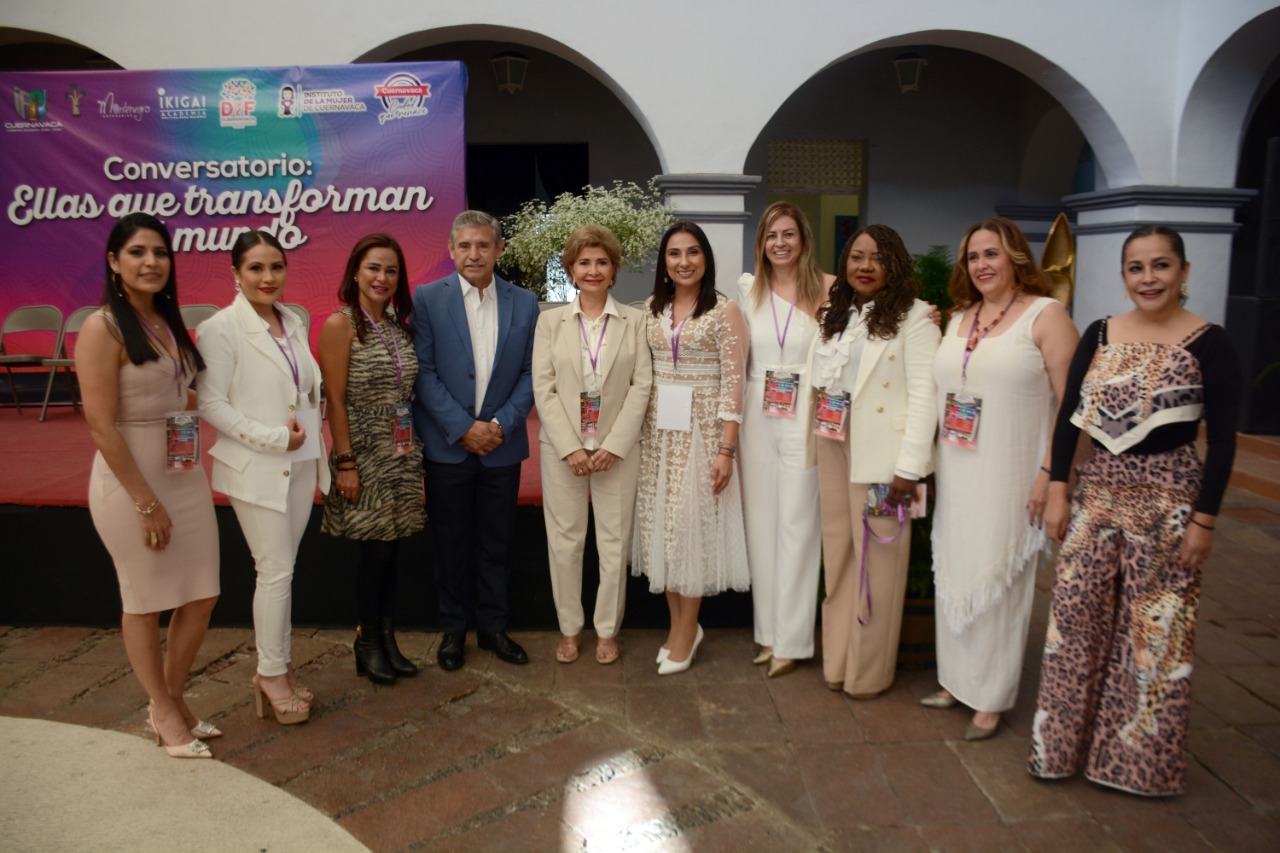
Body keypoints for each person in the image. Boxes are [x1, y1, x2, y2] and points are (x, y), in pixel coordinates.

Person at [1028, 225, 1241, 795]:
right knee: (1072, 619)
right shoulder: (1099, 333)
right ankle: (1060, 749)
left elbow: (1223, 442)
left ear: (1184, 272)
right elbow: (1070, 417)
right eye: (1136, 268)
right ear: (1123, 276)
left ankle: (1133, 764)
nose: (1149, 278)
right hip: (1097, 495)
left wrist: (1203, 521)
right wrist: (1058, 488)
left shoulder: (1210, 342)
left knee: (1150, 635)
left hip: (1170, 500)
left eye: (1161, 265)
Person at [922, 217, 1078, 740]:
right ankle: (955, 680)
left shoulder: (1046, 315)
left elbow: (1073, 405)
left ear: (1016, 258)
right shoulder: (958, 317)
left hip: (1013, 472)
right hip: (957, 470)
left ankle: (989, 698)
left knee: (1000, 580)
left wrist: (1051, 475)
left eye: (992, 254)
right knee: (955, 567)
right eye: (973, 256)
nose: (981, 264)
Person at [79, 213, 219, 759]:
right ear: (114, 262)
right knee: (143, 601)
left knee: (202, 594)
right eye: (137, 252)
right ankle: (161, 708)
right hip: (131, 482)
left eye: (160, 252)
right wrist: (145, 502)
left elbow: (181, 394)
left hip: (183, 472)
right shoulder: (102, 328)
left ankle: (174, 696)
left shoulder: (165, 320)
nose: (151, 262)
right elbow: (100, 425)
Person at [197, 230, 330, 725]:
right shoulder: (220, 328)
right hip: (256, 466)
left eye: (276, 266)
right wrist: (274, 438)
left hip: (299, 465)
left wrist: (307, 445)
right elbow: (211, 404)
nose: (268, 277)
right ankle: (271, 675)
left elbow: (302, 389)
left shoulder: (291, 320)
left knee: (283, 570)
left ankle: (281, 667)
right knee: (274, 571)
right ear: (236, 273)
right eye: (255, 267)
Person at [811, 225, 940, 697]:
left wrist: (910, 469)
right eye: (857, 256)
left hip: (886, 459)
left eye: (878, 258)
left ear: (895, 265)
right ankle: (838, 663)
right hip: (833, 443)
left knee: (880, 566)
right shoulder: (834, 313)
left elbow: (925, 396)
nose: (865, 266)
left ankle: (868, 674)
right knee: (840, 555)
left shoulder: (917, 317)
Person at [412, 210, 538, 671]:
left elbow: (532, 372)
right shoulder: (428, 298)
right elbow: (423, 370)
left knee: (497, 543)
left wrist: (500, 425)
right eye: (464, 245)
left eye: (483, 245)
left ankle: (493, 628)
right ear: (451, 250)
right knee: (450, 543)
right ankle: (453, 631)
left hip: (502, 446)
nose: (474, 254)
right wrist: (463, 428)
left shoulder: (525, 302)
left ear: (499, 249)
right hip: (448, 445)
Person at [632, 221, 750, 675]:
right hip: (659, 434)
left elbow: (734, 384)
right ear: (663, 262)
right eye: (675, 253)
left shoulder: (725, 311)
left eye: (693, 252)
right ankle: (679, 626)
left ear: (706, 259)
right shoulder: (650, 310)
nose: (684, 262)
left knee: (689, 531)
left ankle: (686, 632)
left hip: (703, 435)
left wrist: (726, 449)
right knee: (662, 531)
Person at [533, 225, 653, 665]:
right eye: (584, 262)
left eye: (602, 262)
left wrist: (614, 445)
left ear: (614, 270)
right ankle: (569, 628)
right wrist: (570, 447)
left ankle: (606, 630)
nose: (593, 270)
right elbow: (543, 388)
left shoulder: (635, 321)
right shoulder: (550, 322)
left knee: (614, 543)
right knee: (565, 542)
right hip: (562, 449)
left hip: (616, 451)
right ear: (570, 269)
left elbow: (642, 386)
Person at [318, 234, 426, 684]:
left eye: (391, 270)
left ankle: (387, 638)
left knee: (393, 550)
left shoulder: (398, 324)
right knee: (375, 553)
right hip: (362, 450)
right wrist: (346, 463)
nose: (382, 278)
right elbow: (335, 400)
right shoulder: (340, 324)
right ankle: (366, 641)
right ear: (356, 273)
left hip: (400, 449)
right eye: (373, 268)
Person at [736, 201, 831, 678]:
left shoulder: (829, 289)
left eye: (788, 234)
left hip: (804, 411)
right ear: (761, 243)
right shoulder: (746, 290)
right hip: (757, 409)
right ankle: (768, 633)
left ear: (803, 239)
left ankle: (792, 641)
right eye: (772, 235)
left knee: (798, 523)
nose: (780, 243)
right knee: (761, 523)